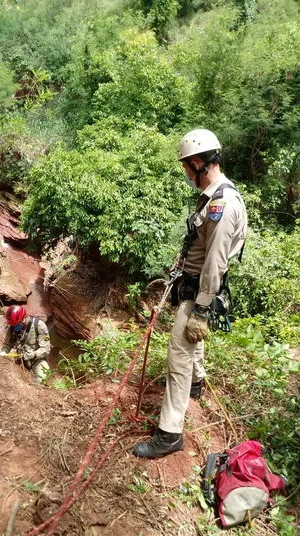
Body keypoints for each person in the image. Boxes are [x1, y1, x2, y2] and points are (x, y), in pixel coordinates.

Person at [133, 129, 248, 459]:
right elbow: (200, 245)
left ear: (199, 163)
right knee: (190, 351)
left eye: (187, 167)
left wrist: (200, 309)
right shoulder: (213, 197)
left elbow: (215, 260)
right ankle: (196, 384)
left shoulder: (222, 205)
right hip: (195, 282)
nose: (186, 174)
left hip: (201, 289)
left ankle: (169, 433)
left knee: (178, 354)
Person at [0, 305, 51, 382]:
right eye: (13, 325)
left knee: (44, 375)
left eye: (17, 324)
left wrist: (32, 354)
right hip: (19, 359)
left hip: (35, 360)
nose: (15, 327)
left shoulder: (39, 326)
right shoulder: (12, 327)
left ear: (25, 317)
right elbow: (7, 344)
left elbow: (46, 349)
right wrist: (3, 351)